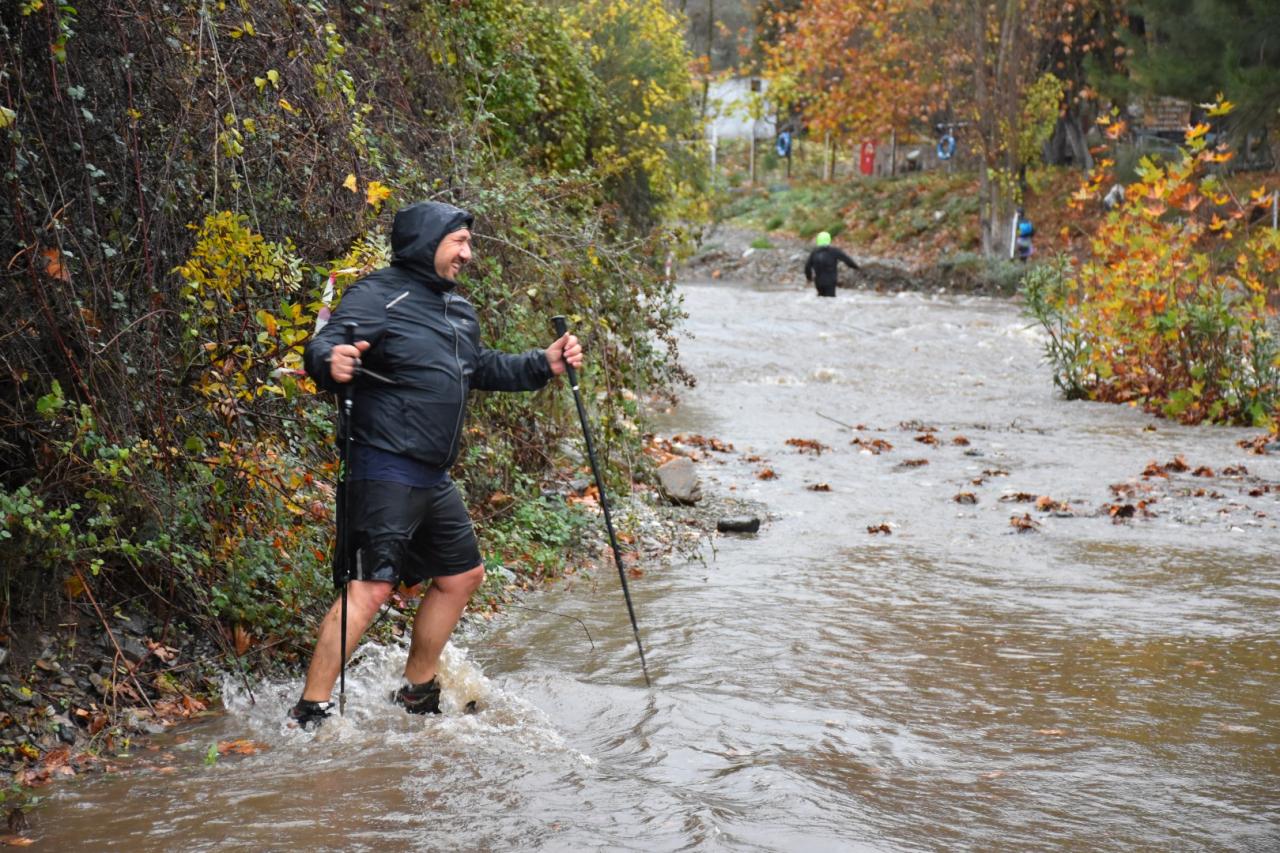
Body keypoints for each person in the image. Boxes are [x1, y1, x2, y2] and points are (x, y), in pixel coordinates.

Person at [290, 201, 583, 729]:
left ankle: (416, 690)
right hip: (382, 465)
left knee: (462, 574)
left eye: (469, 243)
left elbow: (481, 366)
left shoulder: (458, 310)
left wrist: (544, 363)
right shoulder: (379, 294)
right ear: (427, 242)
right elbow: (326, 342)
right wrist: (330, 361)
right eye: (459, 242)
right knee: (370, 587)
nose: (467, 254)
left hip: (432, 475)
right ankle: (311, 708)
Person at [803, 231, 858, 297]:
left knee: (820, 298)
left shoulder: (814, 253)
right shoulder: (834, 251)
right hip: (830, 282)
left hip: (818, 282)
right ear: (829, 240)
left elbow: (807, 267)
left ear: (818, 240)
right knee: (830, 299)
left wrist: (809, 278)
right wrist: (857, 268)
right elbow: (847, 260)